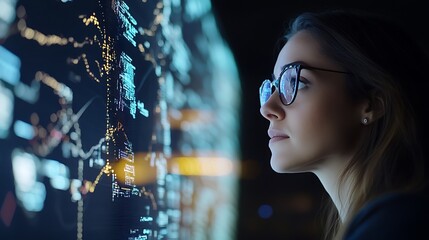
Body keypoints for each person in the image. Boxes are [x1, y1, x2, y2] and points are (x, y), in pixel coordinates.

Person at [259, 9, 429, 240]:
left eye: (295, 82)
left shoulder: (398, 226)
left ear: (371, 104)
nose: (267, 108)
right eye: (274, 86)